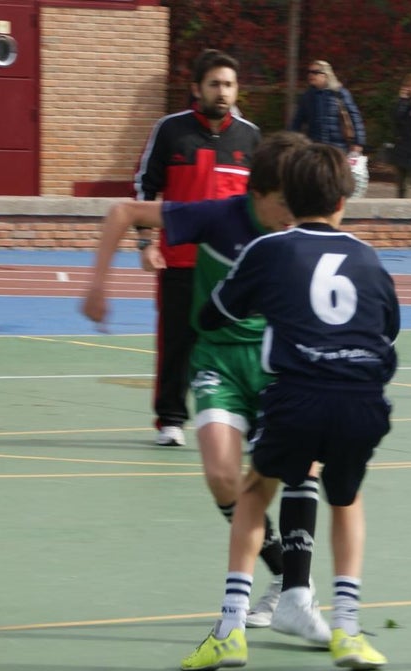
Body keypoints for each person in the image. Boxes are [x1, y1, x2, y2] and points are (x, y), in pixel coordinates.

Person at [82, 132, 328, 636]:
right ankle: (283, 578)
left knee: (303, 464)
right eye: (284, 199)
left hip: (275, 363)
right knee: (222, 477)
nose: (292, 210)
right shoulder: (216, 217)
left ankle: (298, 593)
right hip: (217, 359)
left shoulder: (298, 232)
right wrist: (97, 283)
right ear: (257, 193)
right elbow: (122, 213)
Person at [180, 143, 400, 671]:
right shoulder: (369, 257)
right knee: (345, 499)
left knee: (255, 490)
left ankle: (231, 627)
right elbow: (388, 330)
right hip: (363, 399)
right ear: (344, 200)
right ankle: (347, 629)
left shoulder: (271, 249)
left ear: (287, 199)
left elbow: (213, 316)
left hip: (297, 394)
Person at [135, 48, 261, 447]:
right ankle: (171, 419)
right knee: (176, 342)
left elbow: (264, 199)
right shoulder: (171, 130)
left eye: (228, 84)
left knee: (244, 343)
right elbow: (144, 186)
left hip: (232, 267)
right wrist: (145, 241)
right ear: (197, 88)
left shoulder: (251, 136)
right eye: (214, 84)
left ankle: (251, 418)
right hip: (179, 262)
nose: (222, 92)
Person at [290, 60, 366, 156]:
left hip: (338, 148)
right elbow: (297, 121)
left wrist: (358, 143)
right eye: (309, 72)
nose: (310, 75)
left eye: (315, 72)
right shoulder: (307, 96)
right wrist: (289, 141)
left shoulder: (340, 93)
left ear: (325, 74)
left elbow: (355, 118)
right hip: (315, 148)